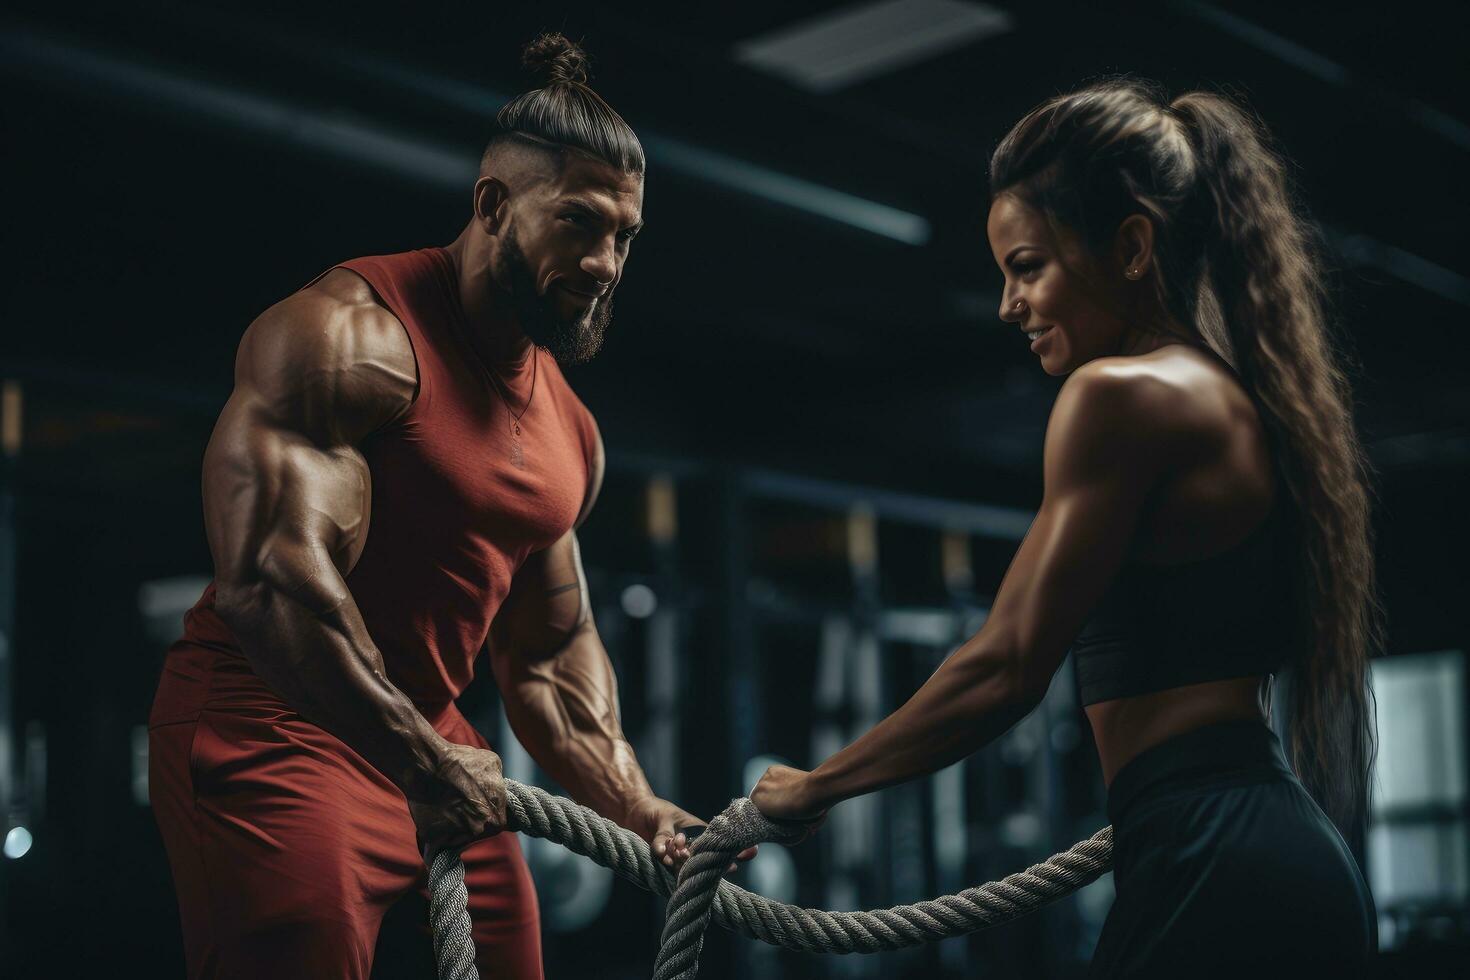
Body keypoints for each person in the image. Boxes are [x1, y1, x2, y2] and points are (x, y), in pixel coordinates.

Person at [147, 34, 745, 980]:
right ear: (495, 206)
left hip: (435, 738)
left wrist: (638, 805)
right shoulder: (348, 342)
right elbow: (272, 587)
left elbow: (546, 653)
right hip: (274, 715)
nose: (605, 264)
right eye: (580, 224)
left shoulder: (571, 433)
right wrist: (421, 757)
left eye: (624, 235)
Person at [751, 79, 1378, 976]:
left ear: (1130, 247)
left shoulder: (1120, 396)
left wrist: (817, 786)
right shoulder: (1232, 394)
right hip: (1245, 845)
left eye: (1028, 266)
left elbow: (1006, 667)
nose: (1009, 303)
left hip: (1217, 858)